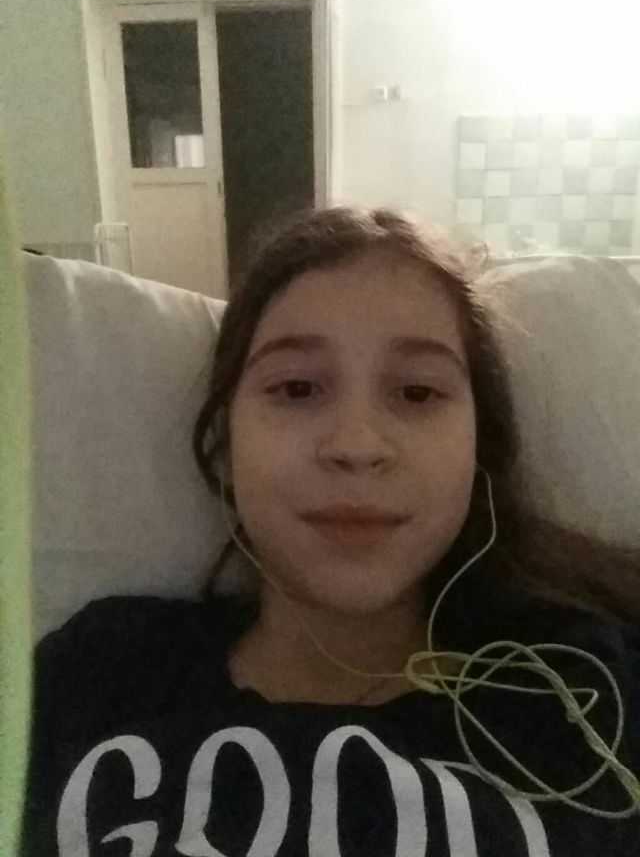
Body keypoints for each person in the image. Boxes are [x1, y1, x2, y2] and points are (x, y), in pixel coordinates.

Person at [21, 207, 640, 856]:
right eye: (296, 388)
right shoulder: (98, 675)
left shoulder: (593, 688)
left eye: (417, 393)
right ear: (228, 445)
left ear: (478, 449)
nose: (356, 446)